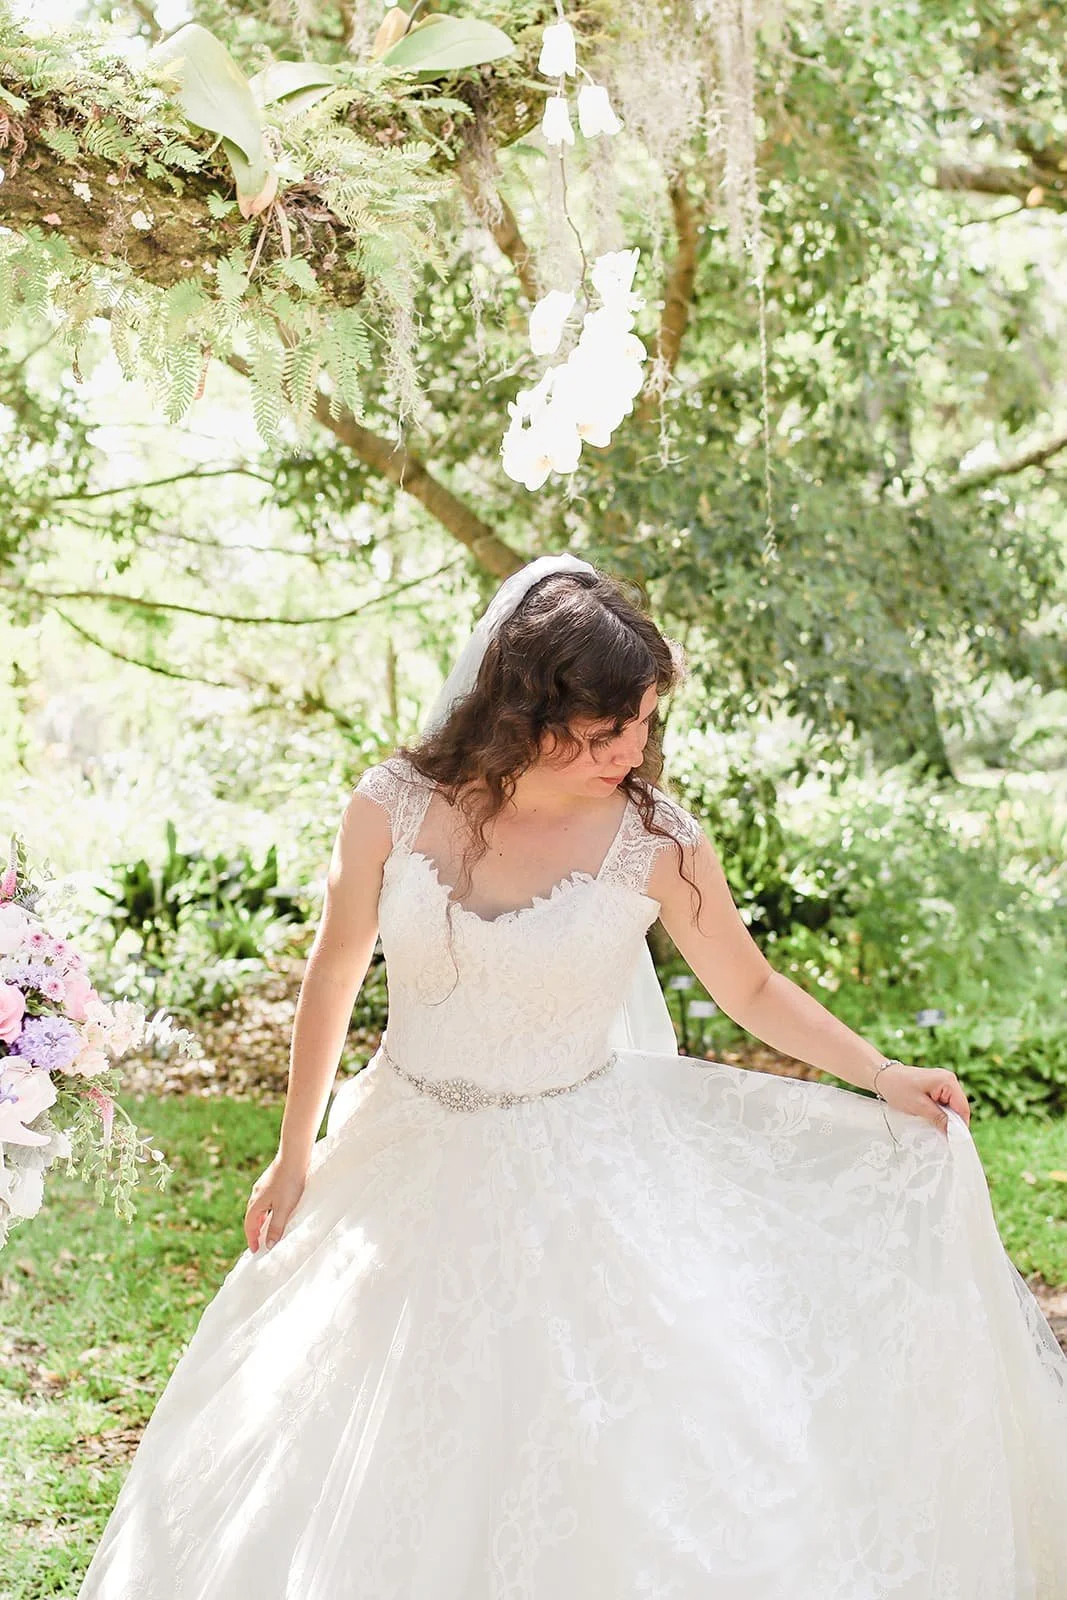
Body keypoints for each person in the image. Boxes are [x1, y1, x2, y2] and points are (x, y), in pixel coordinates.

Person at [76, 554, 1067, 1600]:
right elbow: (332, 970)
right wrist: (292, 1153)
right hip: (395, 1152)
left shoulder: (655, 841)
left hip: (574, 1165)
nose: (627, 750)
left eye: (640, 722)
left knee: (599, 1438)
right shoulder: (392, 804)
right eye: (602, 731)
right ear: (520, 709)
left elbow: (751, 986)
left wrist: (879, 1071)